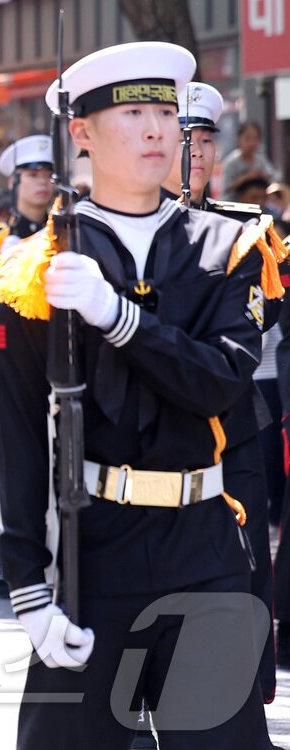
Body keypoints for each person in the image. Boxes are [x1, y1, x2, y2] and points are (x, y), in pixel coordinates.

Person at [0, 41, 272, 748]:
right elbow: (20, 433)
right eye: (134, 112)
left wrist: (120, 319)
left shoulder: (227, 248)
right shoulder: (36, 266)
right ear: (80, 133)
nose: (156, 129)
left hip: (203, 542)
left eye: (166, 112)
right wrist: (27, 587)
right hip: (93, 545)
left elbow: (222, 379)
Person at [161, 82, 281, 711]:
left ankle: (251, 694)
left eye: (205, 141)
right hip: (154, 422)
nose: (195, 154)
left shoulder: (244, 229)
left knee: (247, 559)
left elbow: (262, 313)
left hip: (234, 415)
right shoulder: (127, 229)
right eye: (185, 141)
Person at [0, 134, 54, 599]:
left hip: (54, 370)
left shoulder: (68, 236)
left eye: (47, 175)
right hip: (4, 370)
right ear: (14, 181)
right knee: (3, 465)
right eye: (32, 175)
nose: (41, 184)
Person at [221, 121, 280, 196]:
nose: (252, 143)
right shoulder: (231, 162)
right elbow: (226, 188)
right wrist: (246, 177)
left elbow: (273, 179)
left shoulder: (261, 160)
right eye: (247, 138)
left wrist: (262, 176)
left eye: (256, 138)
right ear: (238, 138)